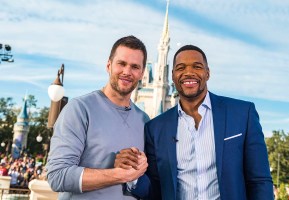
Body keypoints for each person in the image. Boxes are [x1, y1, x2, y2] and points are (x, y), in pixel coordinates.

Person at [144, 45, 274, 200]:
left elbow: (259, 181)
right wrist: (131, 176)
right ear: (172, 75)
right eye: (181, 67)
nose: (189, 72)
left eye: (197, 66)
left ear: (207, 73)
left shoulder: (242, 114)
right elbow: (155, 188)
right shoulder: (155, 128)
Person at [46, 35, 150, 199]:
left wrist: (135, 175)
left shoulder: (145, 120)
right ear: (108, 65)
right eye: (121, 63)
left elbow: (145, 188)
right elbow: (57, 175)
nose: (127, 72)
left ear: (142, 73)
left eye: (135, 67)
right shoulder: (80, 109)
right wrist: (120, 175)